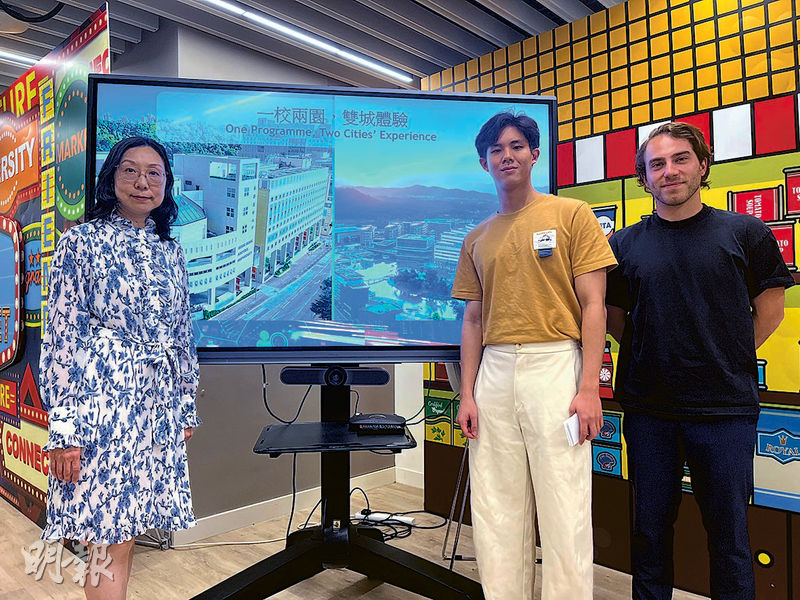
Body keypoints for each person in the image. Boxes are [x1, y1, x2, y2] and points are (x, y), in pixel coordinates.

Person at [605, 121, 794, 600]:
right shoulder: (623, 244)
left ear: (703, 165)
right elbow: (614, 317)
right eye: (657, 164)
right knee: (649, 533)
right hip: (649, 410)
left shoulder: (745, 232)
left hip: (725, 409)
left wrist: (724, 353)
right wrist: (654, 351)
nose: (669, 171)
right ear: (644, 178)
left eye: (680, 159)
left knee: (729, 537)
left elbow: (771, 307)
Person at [451, 111, 617, 600]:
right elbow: (473, 321)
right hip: (495, 371)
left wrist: (589, 388)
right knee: (495, 506)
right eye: (496, 150)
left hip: (556, 365)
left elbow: (594, 306)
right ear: (484, 163)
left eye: (517, 146)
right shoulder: (476, 237)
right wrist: (467, 394)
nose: (507, 155)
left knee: (565, 503)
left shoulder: (572, 215)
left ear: (535, 154)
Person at [40, 136, 201, 600]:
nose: (142, 182)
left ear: (167, 184)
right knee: (105, 536)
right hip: (102, 402)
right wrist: (65, 429)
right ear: (111, 177)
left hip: (156, 407)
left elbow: (181, 334)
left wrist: (184, 406)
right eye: (130, 170)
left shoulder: (170, 251)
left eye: (154, 173)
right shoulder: (80, 242)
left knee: (127, 531)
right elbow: (62, 338)